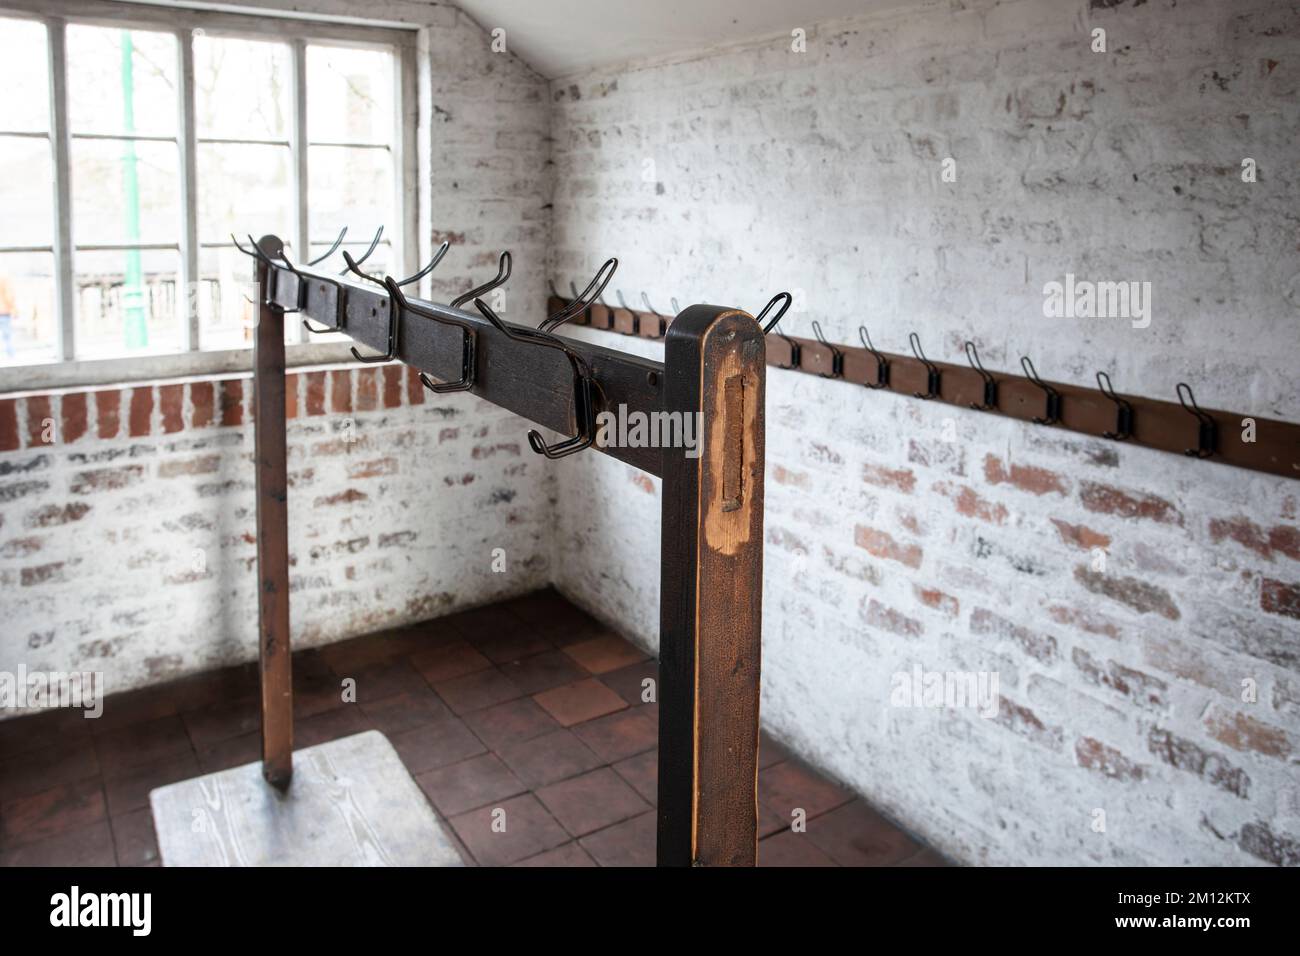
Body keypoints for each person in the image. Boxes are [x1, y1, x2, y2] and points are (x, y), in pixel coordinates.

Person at [0, 275, 16, 358]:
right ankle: (11, 355)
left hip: (3, 311)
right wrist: (14, 310)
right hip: (3, 312)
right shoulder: (4, 280)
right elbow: (8, 297)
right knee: (7, 335)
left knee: (7, 335)